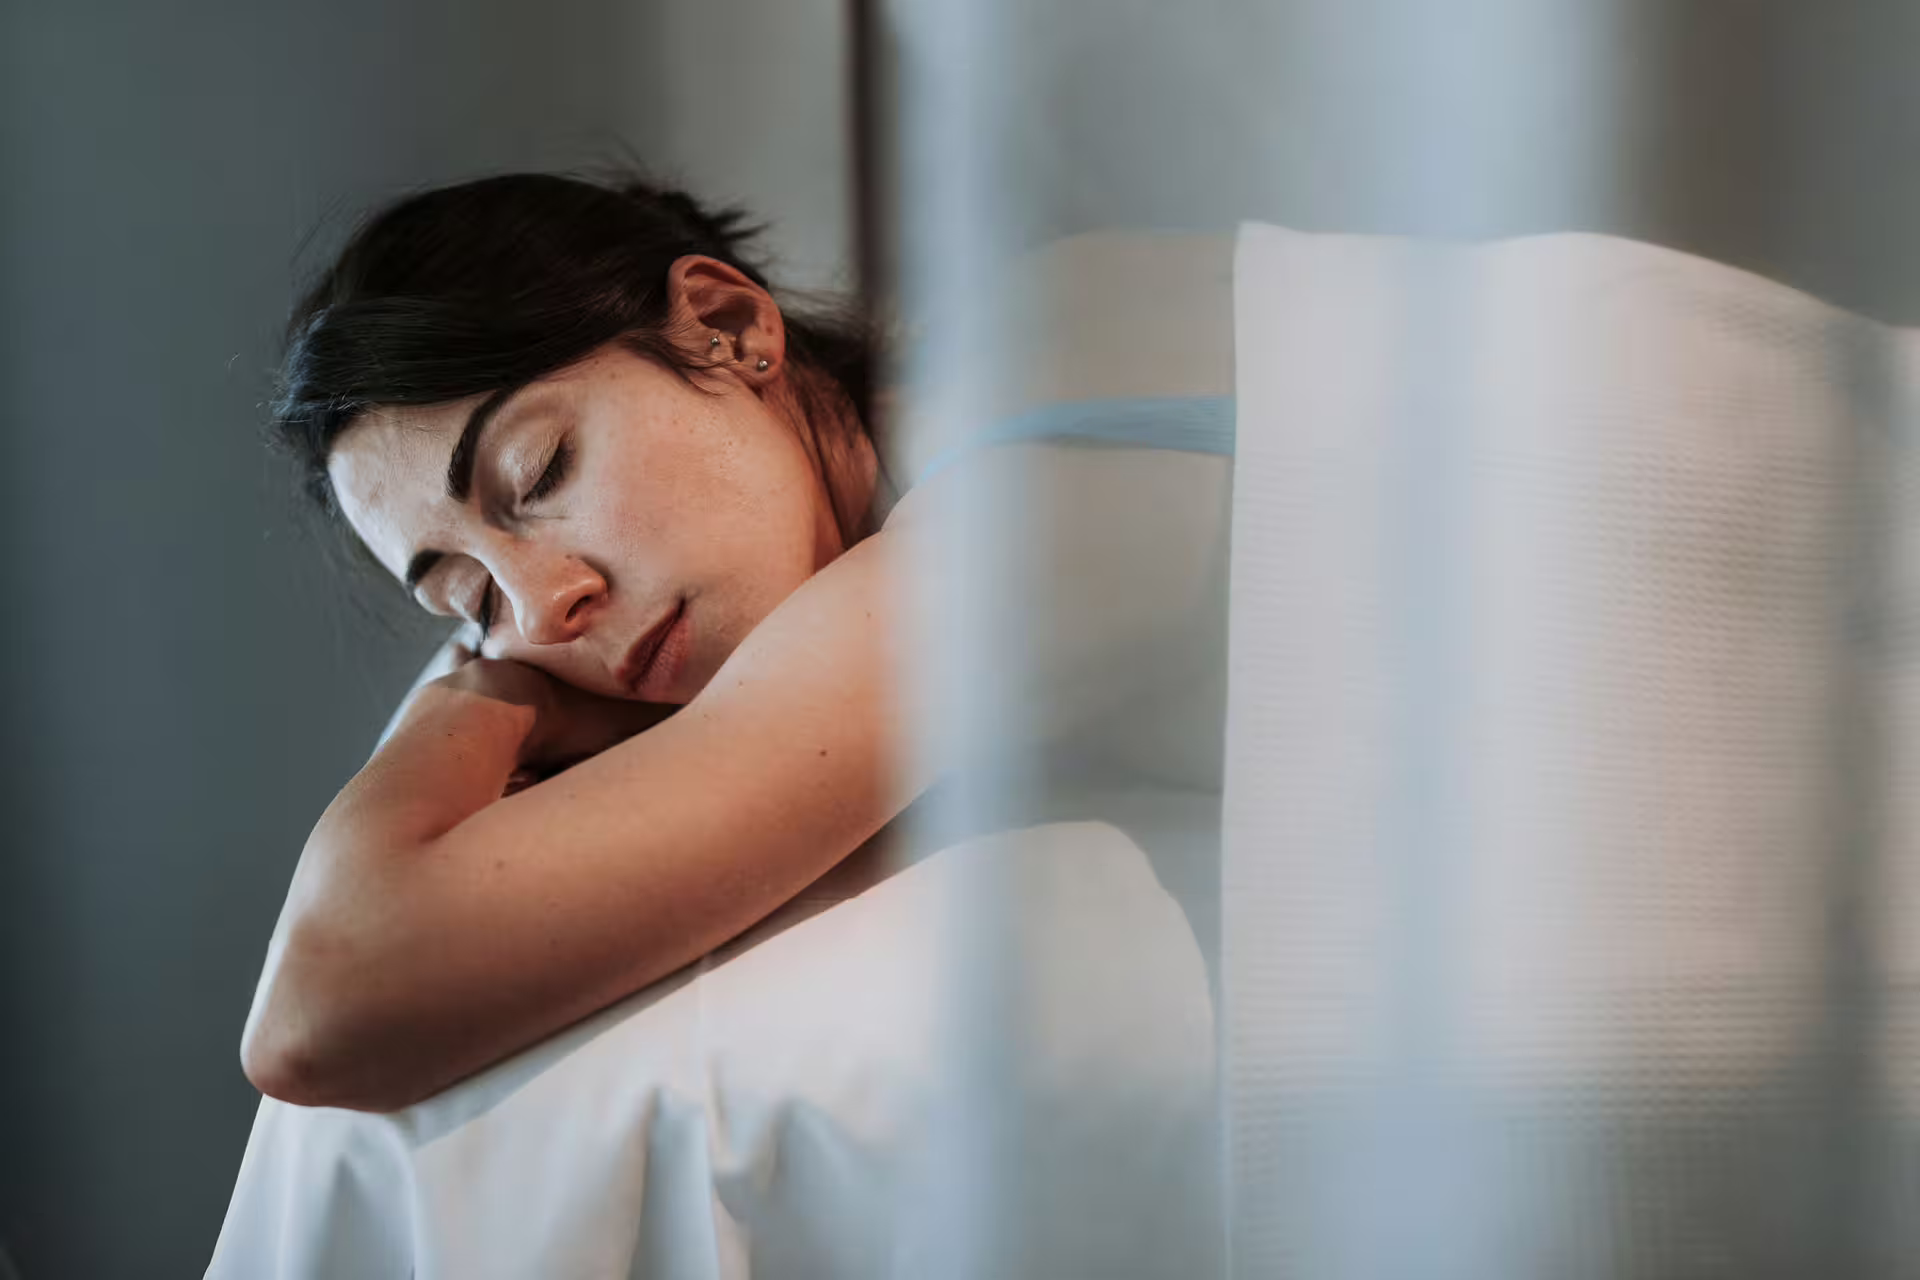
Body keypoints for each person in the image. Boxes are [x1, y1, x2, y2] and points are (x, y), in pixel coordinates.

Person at [240, 169, 1236, 1114]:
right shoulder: (1017, 320)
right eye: (471, 597)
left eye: (540, 472)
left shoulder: (1012, 516)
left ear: (728, 327)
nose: (541, 614)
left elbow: (324, 1000)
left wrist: (486, 700)